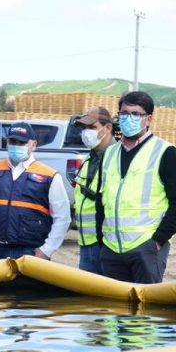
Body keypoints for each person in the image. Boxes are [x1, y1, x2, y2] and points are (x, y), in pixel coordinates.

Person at [96, 91, 176, 284]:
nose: (128, 118)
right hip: (111, 249)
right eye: (124, 113)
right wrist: (101, 240)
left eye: (135, 114)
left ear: (149, 119)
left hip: (146, 248)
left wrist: (158, 241)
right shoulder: (109, 154)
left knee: (145, 303)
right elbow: (100, 200)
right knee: (113, 303)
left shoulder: (166, 152)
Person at [0, 122, 71, 260]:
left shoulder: (49, 175)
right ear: (7, 143)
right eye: (12, 141)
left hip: (32, 252)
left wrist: (47, 250)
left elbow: (62, 217)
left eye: (22, 142)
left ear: (33, 145)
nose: (16, 146)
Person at [73, 107, 116, 274]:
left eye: (91, 127)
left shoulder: (117, 159)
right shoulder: (89, 158)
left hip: (107, 243)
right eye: (84, 128)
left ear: (108, 128)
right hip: (86, 242)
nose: (86, 133)